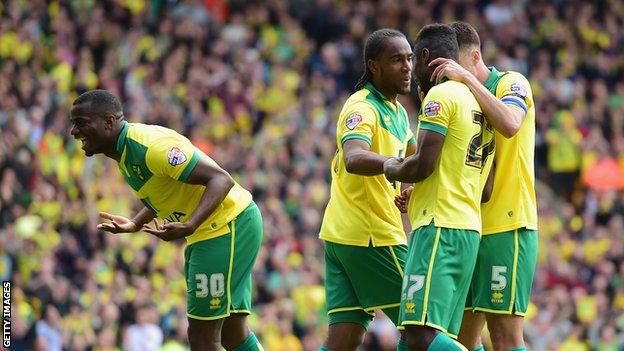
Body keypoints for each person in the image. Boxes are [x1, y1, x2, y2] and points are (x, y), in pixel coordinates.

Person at [69, 90, 264, 351]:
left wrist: (190, 224)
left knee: (202, 337)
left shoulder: (150, 147)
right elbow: (161, 194)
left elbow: (221, 180)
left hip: (225, 226)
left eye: (81, 123)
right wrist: (136, 223)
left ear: (108, 122)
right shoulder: (124, 153)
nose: (73, 131)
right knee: (232, 333)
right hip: (219, 229)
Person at [427, 22, 538, 351]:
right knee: (460, 337)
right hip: (467, 228)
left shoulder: (510, 82)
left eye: (455, 66)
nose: (451, 76)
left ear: (475, 57)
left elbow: (510, 124)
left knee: (504, 337)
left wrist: (466, 80)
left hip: (507, 224)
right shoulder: (462, 98)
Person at [384, 24, 494, 351]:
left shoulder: (442, 95)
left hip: (439, 229)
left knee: (421, 334)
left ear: (426, 58)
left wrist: (389, 166)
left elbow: (423, 165)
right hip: (467, 230)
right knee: (413, 337)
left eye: (413, 60)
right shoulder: (478, 100)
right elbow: (482, 187)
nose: (410, 71)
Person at [317, 28, 416, 351]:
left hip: (343, 238)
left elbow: (415, 154)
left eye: (410, 59)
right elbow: (354, 156)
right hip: (372, 236)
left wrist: (411, 184)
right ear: (374, 66)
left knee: (344, 338)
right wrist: (394, 165)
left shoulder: (399, 112)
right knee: (422, 325)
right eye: (396, 60)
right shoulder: (362, 107)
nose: (407, 67)